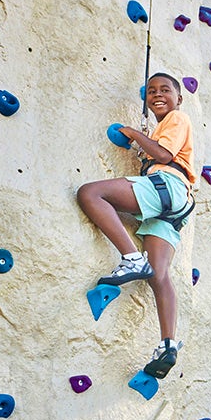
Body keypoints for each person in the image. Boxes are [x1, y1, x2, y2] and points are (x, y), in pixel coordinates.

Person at [77, 72, 195, 379]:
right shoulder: (163, 127)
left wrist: (132, 132)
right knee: (159, 275)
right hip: (175, 205)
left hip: (166, 186)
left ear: (179, 99)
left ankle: (130, 257)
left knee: (90, 193)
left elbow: (165, 155)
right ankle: (167, 344)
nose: (157, 94)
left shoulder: (177, 119)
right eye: (151, 91)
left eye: (165, 90)